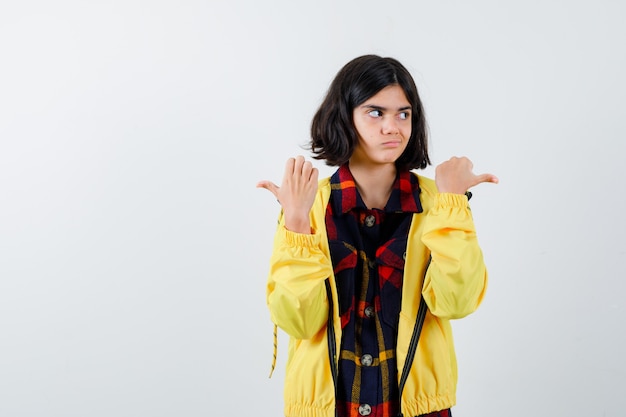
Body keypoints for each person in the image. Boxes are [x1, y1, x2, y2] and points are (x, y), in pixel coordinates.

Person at [257, 54, 498, 417]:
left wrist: (452, 204)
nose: (393, 127)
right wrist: (295, 222)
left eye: (404, 113)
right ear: (344, 117)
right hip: (330, 409)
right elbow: (299, 322)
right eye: (376, 112)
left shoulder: (439, 202)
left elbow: (456, 303)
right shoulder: (307, 206)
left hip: (417, 410)